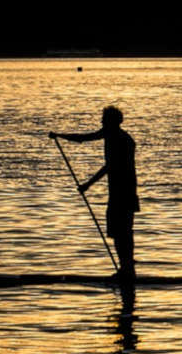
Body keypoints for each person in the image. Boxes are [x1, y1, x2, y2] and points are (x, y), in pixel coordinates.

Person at [50, 106, 139, 281]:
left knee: (123, 232)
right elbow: (85, 138)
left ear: (113, 122)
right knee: (117, 231)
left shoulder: (123, 140)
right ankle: (125, 269)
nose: (101, 122)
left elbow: (110, 166)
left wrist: (87, 185)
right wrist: (60, 136)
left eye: (104, 120)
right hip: (116, 193)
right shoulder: (110, 134)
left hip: (125, 193)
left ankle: (127, 270)